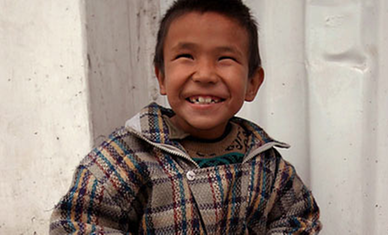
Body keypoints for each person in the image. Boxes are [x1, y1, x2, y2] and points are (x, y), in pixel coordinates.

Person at [50, 0, 322, 234]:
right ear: (161, 77)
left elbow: (299, 220)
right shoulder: (127, 158)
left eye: (225, 58)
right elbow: (76, 225)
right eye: (186, 56)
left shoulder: (265, 164)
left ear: (252, 82)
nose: (204, 75)